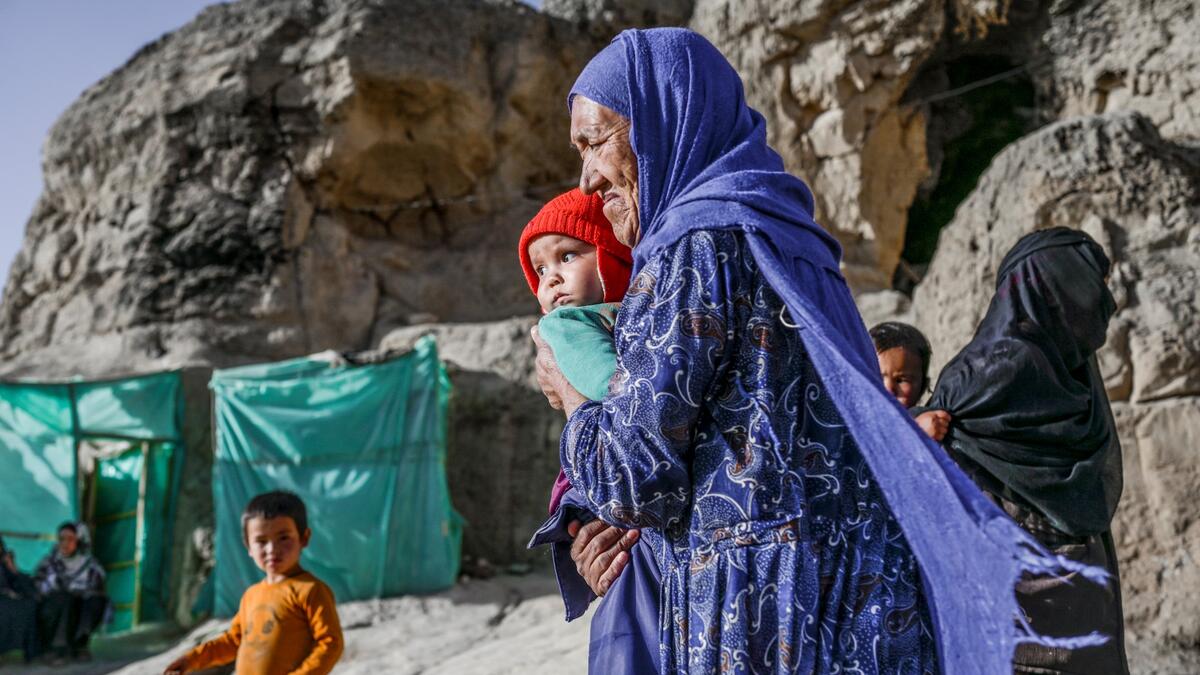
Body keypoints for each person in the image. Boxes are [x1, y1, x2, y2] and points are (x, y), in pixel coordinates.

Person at [532, 27, 1103, 674]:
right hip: (867, 609)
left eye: (596, 140)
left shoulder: (690, 249)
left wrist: (573, 399)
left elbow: (637, 480)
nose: (586, 177)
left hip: (761, 615)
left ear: (665, 116)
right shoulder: (790, 238)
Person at [924, 227, 1129, 674]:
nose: (1106, 302)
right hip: (1015, 604)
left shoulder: (1074, 373)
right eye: (1093, 283)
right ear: (1058, 287)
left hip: (1082, 597)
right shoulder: (980, 376)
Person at [518, 188, 662, 674]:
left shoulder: (629, 310)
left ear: (611, 256)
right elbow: (609, 391)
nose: (552, 277)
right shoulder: (568, 324)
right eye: (540, 270)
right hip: (594, 481)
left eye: (569, 255)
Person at [164, 491, 343, 675]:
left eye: (283, 538)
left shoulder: (310, 590)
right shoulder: (252, 595)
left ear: (304, 538)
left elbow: (330, 642)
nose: (272, 549)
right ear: (248, 547)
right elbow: (233, 641)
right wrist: (191, 660)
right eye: (261, 541)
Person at [34, 522, 108, 663]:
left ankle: (80, 645)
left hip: (77, 608)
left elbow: (98, 585)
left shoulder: (89, 564)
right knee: (63, 599)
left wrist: (77, 592)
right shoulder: (49, 562)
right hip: (53, 611)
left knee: (96, 601)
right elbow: (38, 586)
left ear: (79, 541)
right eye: (62, 539)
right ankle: (55, 649)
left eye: (70, 539)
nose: (65, 543)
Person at [870, 321, 950, 440]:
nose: (888, 390)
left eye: (900, 380)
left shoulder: (930, 420)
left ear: (923, 386)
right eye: (879, 377)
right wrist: (915, 434)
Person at [0, 535, 38, 662]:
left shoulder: (4, 562)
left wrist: (12, 567)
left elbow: (19, 582)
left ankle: (30, 651)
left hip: (7, 598)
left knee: (29, 604)